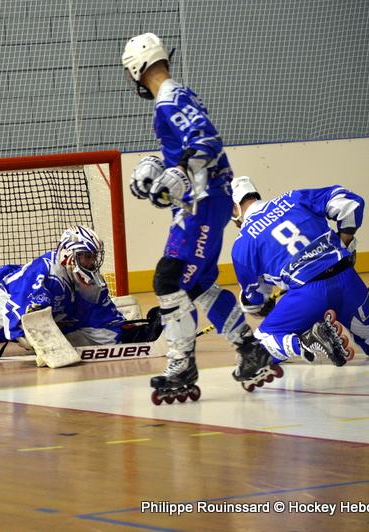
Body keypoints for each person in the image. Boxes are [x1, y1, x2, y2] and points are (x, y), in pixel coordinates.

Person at [122, 33, 258, 403]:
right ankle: (249, 349)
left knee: (168, 279)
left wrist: (182, 172)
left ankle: (181, 364)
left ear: (135, 69)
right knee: (196, 284)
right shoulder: (176, 96)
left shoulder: (168, 99)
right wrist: (157, 165)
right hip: (199, 204)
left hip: (202, 203)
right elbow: (190, 143)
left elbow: (206, 141)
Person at [230, 176, 369, 386]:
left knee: (256, 349)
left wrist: (261, 306)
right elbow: (350, 204)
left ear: (234, 208)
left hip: (308, 296)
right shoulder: (293, 198)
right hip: (347, 279)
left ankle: (305, 342)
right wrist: (345, 241)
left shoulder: (242, 243)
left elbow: (255, 301)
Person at [0, 226, 161, 358]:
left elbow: (101, 316)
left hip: (7, 314)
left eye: (93, 257)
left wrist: (132, 333)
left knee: (89, 318)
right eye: (85, 256)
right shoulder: (45, 274)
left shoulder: (86, 279)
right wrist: (44, 344)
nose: (91, 262)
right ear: (69, 255)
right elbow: (21, 321)